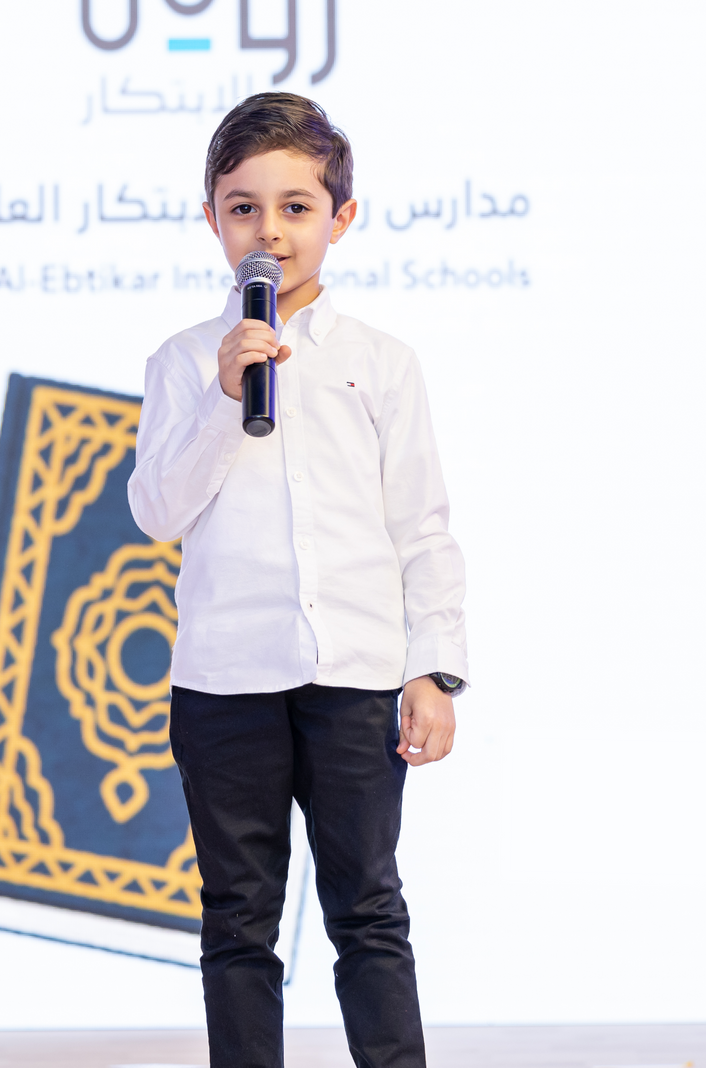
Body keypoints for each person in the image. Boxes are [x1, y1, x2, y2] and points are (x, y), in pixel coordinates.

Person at [128, 92, 469, 1068]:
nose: (267, 229)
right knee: (239, 924)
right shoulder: (187, 363)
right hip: (224, 684)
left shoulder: (382, 364)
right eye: (242, 207)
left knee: (366, 908)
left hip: (356, 677)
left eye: (293, 207)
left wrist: (433, 669)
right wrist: (227, 397)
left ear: (340, 218)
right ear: (211, 218)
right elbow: (159, 512)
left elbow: (422, 527)